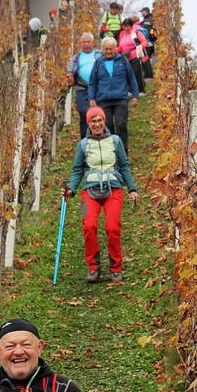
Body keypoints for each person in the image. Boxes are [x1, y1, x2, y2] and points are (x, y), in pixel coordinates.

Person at [65, 106, 137, 283]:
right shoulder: (83, 145)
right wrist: (71, 189)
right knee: (89, 227)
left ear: (104, 121)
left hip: (113, 190)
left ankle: (115, 267)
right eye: (93, 121)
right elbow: (77, 170)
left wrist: (132, 188)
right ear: (88, 124)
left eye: (99, 120)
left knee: (112, 228)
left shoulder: (115, 141)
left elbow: (124, 165)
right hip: (89, 191)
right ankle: (93, 267)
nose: (97, 124)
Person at [87, 37, 139, 151]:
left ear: (115, 48)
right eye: (106, 49)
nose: (109, 52)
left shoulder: (123, 60)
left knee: (121, 125)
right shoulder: (98, 63)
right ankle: (111, 152)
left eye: (111, 49)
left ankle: (123, 152)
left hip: (120, 98)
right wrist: (91, 98)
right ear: (102, 49)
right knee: (107, 126)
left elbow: (131, 78)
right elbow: (92, 82)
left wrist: (135, 95)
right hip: (104, 99)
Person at [66, 32, 101, 138]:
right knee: (83, 113)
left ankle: (100, 135)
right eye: (84, 42)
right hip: (82, 88)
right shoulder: (76, 57)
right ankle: (85, 138)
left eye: (88, 42)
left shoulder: (99, 54)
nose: (86, 44)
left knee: (98, 112)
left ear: (92, 43)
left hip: (97, 88)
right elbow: (70, 71)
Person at [117, 17, 149, 94]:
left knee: (137, 73)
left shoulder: (136, 32)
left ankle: (141, 90)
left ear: (131, 26)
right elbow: (120, 47)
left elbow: (144, 42)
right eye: (124, 26)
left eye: (128, 26)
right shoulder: (122, 34)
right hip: (125, 57)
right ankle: (130, 90)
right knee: (127, 74)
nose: (126, 28)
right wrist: (114, 50)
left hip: (135, 56)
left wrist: (140, 47)